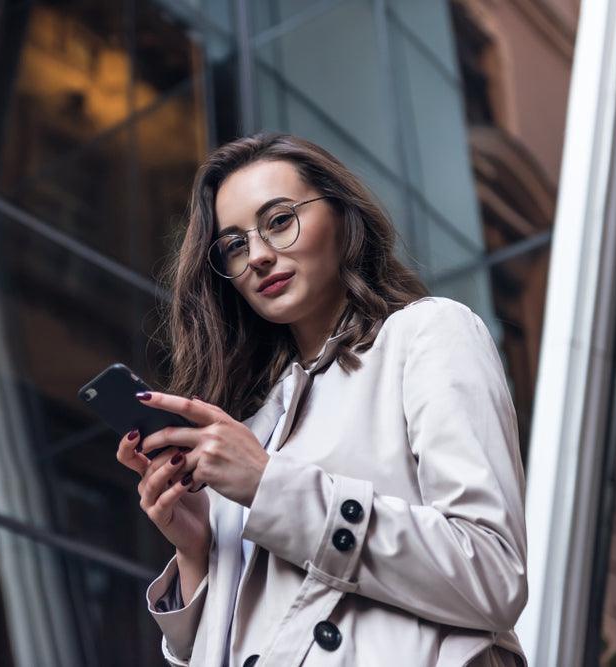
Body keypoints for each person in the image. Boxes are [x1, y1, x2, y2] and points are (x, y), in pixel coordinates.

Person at [115, 132, 528, 666]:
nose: (259, 257)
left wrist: (271, 485)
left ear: (341, 216)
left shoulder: (426, 335)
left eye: (280, 221)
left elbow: (492, 575)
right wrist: (197, 553)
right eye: (235, 245)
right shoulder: (253, 426)